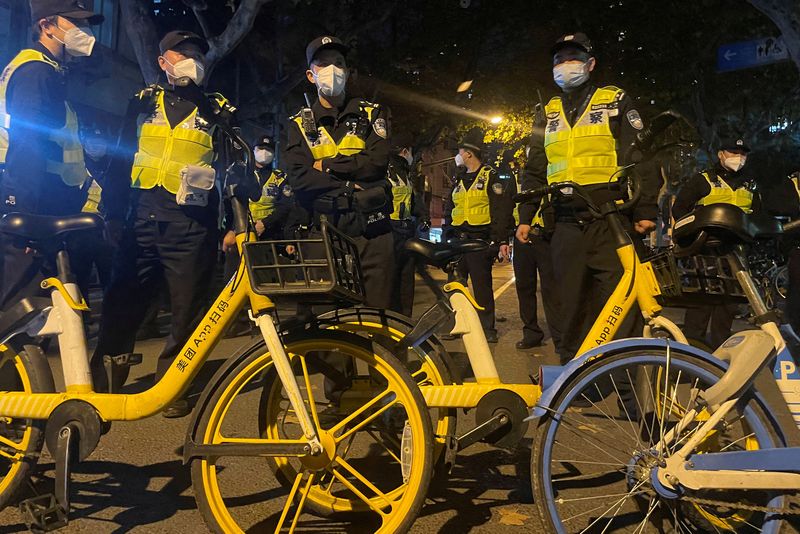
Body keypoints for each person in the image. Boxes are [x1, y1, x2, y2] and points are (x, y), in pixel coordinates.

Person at [93, 30, 237, 417]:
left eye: (197, 53)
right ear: (163, 62)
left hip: (191, 226)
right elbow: (120, 161)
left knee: (186, 310)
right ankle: (106, 381)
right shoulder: (141, 103)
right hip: (140, 218)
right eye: (183, 52)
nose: (193, 59)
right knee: (121, 302)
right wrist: (111, 212)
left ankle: (173, 386)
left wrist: (236, 222)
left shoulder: (217, 109)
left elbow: (231, 169)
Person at [518, 32, 658, 363]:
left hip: (610, 221)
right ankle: (576, 383)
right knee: (569, 307)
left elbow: (641, 156)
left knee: (619, 303)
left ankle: (625, 389)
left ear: (591, 64)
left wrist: (646, 209)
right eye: (559, 60)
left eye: (574, 58)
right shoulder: (547, 111)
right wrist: (526, 216)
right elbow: (534, 167)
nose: (566, 65)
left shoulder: (614, 100)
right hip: (564, 223)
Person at [0, 0, 103, 308]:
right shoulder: (35, 72)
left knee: (42, 297)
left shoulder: (49, 70)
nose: (83, 31)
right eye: (74, 23)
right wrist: (28, 215)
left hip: (45, 195)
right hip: (33, 197)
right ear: (47, 26)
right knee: (23, 300)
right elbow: (28, 142)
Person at [284, 35, 394, 309]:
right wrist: (348, 185)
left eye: (339, 63)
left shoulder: (372, 114)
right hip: (322, 231)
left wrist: (327, 166)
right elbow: (299, 177)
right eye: (323, 64)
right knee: (327, 329)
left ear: (347, 72)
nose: (332, 70)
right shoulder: (298, 123)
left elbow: (377, 162)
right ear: (311, 75)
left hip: (371, 230)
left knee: (379, 324)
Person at [672, 137, 758, 348]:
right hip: (704, 253)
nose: (738, 158)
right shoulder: (703, 180)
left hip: (734, 253)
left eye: (743, 154)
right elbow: (679, 210)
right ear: (720, 154)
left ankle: (720, 361)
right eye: (732, 152)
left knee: (727, 309)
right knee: (700, 307)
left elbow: (756, 216)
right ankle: (690, 356)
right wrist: (696, 236)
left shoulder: (750, 184)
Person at [443, 129, 514, 343]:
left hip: (478, 240)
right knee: (455, 285)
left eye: (460, 151)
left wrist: (500, 240)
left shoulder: (490, 176)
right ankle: (458, 324)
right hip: (457, 241)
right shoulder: (459, 179)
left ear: (469, 154)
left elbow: (500, 210)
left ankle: (487, 328)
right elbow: (450, 207)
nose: (458, 154)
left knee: (482, 287)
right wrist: (447, 233)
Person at [511, 158, 562, 351]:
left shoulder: (550, 174)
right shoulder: (518, 179)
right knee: (524, 288)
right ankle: (531, 333)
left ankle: (560, 337)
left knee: (552, 290)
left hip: (545, 236)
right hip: (523, 237)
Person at [71, 128, 113, 308]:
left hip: (105, 228)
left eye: (100, 141)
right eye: (91, 141)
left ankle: (111, 315)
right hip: (79, 228)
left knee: (109, 275)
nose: (95, 146)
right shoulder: (77, 165)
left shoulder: (113, 167)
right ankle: (83, 319)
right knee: (79, 276)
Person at [388, 131, 428, 316]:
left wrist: (422, 217)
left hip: (405, 232)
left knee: (406, 282)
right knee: (393, 284)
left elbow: (411, 201)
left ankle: (404, 322)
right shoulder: (388, 170)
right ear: (405, 151)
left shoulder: (404, 173)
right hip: (391, 233)